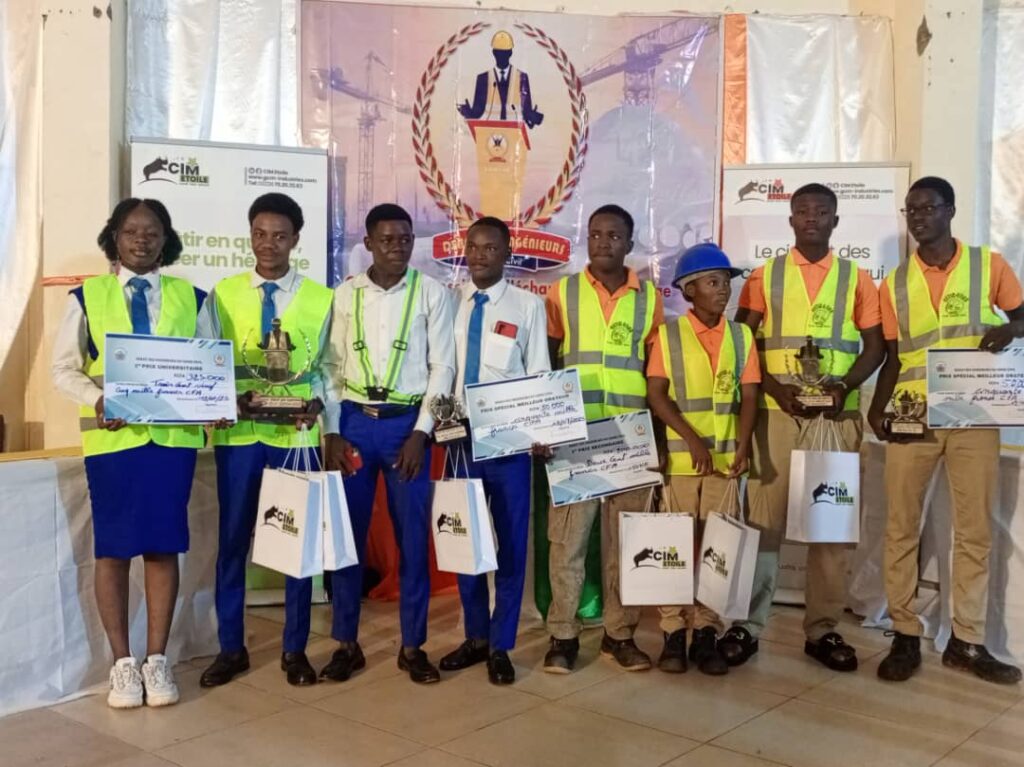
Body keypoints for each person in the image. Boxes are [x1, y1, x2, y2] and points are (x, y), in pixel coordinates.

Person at [721, 183, 885, 672]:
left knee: (830, 527)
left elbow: (875, 348)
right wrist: (772, 389)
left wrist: (843, 387)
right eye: (802, 211)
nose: (812, 217)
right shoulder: (764, 277)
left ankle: (823, 630)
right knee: (764, 524)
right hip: (777, 415)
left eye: (822, 211)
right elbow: (742, 343)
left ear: (836, 221)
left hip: (837, 417)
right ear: (790, 220)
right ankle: (748, 625)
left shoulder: (857, 279)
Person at [868, 176, 1024, 685]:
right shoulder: (893, 284)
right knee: (900, 527)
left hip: (974, 416)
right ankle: (904, 634)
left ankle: (967, 641)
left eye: (928, 207)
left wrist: (1012, 328)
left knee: (974, 530)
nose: (918, 217)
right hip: (912, 415)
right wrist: (877, 408)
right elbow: (894, 357)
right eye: (910, 210)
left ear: (950, 210)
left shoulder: (989, 266)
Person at [52, 198, 207, 708]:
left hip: (171, 443)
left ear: (166, 240)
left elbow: (208, 365)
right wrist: (97, 398)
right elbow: (63, 369)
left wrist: (213, 402)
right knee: (113, 550)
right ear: (114, 238)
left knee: (163, 547)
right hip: (113, 443)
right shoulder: (87, 296)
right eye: (131, 231)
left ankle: (157, 659)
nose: (142, 239)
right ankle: (122, 663)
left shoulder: (193, 298)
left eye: (152, 232)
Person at [198, 193, 334, 688]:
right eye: (260, 234)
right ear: (250, 236)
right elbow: (206, 359)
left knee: (296, 544)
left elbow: (330, 370)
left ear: (296, 239)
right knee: (233, 542)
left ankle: (295, 649)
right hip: (240, 437)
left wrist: (320, 407)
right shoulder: (223, 294)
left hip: (295, 437)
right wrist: (224, 400)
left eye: (279, 235)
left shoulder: (321, 298)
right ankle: (231, 648)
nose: (268, 244)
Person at [322, 203, 455, 684]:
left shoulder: (432, 293)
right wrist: (332, 430)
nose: (397, 247)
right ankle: (346, 644)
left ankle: (413, 646)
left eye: (405, 238)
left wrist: (422, 432)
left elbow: (443, 366)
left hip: (406, 427)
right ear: (368, 243)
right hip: (355, 424)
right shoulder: (345, 295)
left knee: (412, 541)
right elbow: (330, 366)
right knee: (347, 539)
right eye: (387, 239)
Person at [542, 204, 664, 674]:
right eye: (595, 234)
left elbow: (657, 374)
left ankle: (620, 634)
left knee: (623, 542)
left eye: (614, 235)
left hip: (630, 436)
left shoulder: (649, 299)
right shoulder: (563, 292)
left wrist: (656, 439)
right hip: (575, 435)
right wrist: (546, 427)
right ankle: (563, 635)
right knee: (567, 542)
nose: (603, 242)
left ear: (629, 244)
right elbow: (547, 360)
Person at [437, 217, 550, 685]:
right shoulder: (448, 302)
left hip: (508, 438)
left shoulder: (527, 306)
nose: (480, 255)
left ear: (507, 253)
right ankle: (476, 637)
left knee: (509, 542)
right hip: (457, 437)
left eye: (490, 247)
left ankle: (501, 644)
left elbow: (538, 371)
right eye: (473, 246)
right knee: (465, 539)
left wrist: (541, 430)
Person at [646, 244, 759, 675]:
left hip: (726, 462)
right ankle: (674, 631)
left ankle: (707, 630)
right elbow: (657, 395)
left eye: (726, 281)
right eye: (713, 282)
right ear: (689, 290)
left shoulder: (741, 336)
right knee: (673, 547)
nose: (724, 290)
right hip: (682, 461)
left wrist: (744, 446)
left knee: (718, 549)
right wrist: (691, 440)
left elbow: (749, 396)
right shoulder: (669, 336)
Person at [458, 30, 544, 128]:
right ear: (494, 53)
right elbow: (477, 113)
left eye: (504, 53)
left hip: (515, 133)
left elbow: (526, 112)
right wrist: (468, 112)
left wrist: (534, 118)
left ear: (510, 53)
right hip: (489, 132)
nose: (502, 56)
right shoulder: (483, 79)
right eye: (499, 53)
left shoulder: (522, 77)